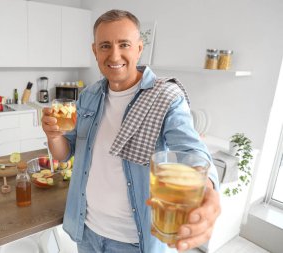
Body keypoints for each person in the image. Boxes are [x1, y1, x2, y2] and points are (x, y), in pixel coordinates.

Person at [41, 9, 221, 253]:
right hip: (87, 231)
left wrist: (206, 190)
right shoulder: (89, 96)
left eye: (123, 44)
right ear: (95, 51)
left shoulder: (166, 97)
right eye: (105, 46)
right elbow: (65, 153)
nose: (114, 55)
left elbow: (191, 151)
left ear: (139, 48)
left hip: (133, 242)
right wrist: (53, 136)